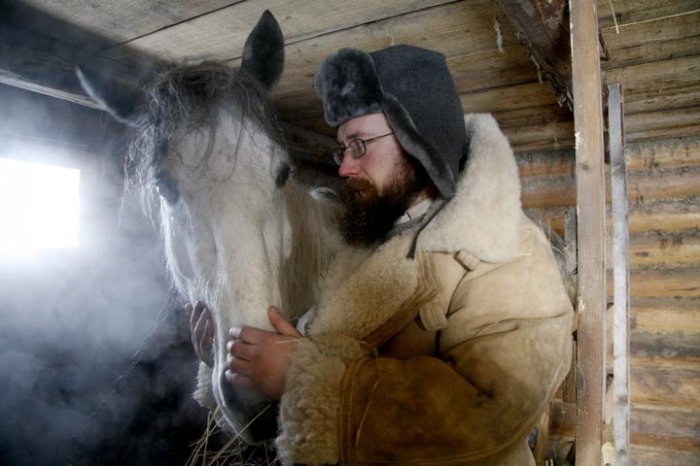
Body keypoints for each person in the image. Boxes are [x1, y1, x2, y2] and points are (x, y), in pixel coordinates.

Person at [190, 44, 574, 465]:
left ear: (418, 139)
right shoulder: (365, 247)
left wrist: (302, 375)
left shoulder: (507, 248)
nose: (344, 168)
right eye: (343, 149)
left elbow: (489, 414)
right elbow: (308, 365)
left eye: (358, 145)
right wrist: (241, 360)